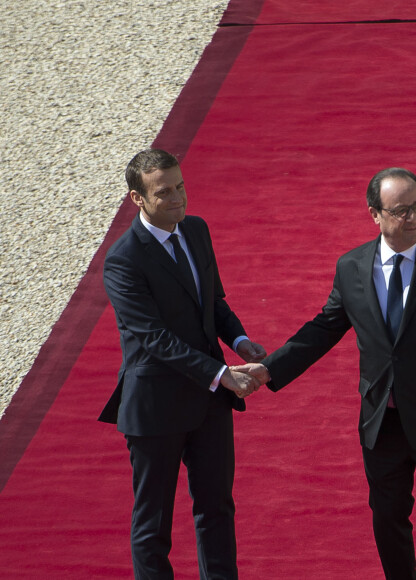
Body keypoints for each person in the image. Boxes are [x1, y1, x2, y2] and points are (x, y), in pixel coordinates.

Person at [236, 168, 416, 580]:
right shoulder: (352, 267)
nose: (413, 217)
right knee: (387, 518)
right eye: (401, 210)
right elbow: (324, 327)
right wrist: (269, 369)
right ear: (375, 214)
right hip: (381, 419)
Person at [99, 148, 265, 580]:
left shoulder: (195, 230)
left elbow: (212, 300)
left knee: (216, 508)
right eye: (164, 192)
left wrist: (241, 340)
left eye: (180, 187)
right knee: (153, 525)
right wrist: (220, 374)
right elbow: (153, 338)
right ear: (137, 199)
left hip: (209, 403)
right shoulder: (123, 260)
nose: (177, 198)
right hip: (156, 407)